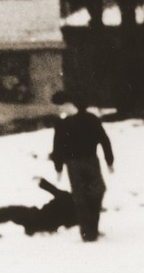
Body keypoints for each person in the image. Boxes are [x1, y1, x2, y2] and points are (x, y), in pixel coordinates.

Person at [49, 90, 114, 242]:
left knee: (98, 191)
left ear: (69, 104)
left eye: (61, 106)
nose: (60, 110)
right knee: (80, 197)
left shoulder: (91, 119)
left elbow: (104, 140)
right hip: (72, 165)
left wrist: (109, 160)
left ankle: (92, 228)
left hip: (91, 161)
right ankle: (88, 233)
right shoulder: (62, 124)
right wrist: (58, 167)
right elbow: (57, 147)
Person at [0, 178, 79, 236]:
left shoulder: (69, 200)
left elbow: (69, 224)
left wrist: (42, 182)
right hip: (38, 217)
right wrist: (42, 182)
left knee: (9, 211)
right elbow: (54, 190)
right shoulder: (69, 199)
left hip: (37, 218)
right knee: (9, 211)